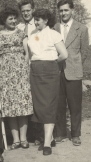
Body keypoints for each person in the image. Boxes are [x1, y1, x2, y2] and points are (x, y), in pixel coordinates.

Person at [26, 9, 68, 155]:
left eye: (39, 19)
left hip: (50, 71)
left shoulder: (54, 34)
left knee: (49, 106)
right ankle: (48, 138)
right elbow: (30, 55)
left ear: (46, 20)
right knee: (39, 106)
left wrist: (52, 63)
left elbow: (64, 54)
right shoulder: (32, 35)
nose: (36, 22)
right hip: (35, 71)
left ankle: (46, 144)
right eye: (35, 19)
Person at [0, 7, 33, 150]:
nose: (14, 21)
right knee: (10, 105)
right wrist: (2, 67)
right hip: (6, 74)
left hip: (21, 72)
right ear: (4, 20)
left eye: (15, 18)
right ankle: (15, 139)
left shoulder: (22, 34)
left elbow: (27, 53)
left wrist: (24, 67)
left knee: (22, 104)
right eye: (11, 19)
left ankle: (23, 138)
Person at [54, 0, 89, 146]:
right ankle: (61, 132)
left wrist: (78, 68)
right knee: (59, 104)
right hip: (57, 71)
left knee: (75, 105)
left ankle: (75, 134)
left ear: (72, 10)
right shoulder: (54, 27)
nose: (63, 13)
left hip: (74, 71)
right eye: (61, 11)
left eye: (66, 10)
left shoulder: (81, 28)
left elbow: (85, 51)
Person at [17, 0, 43, 145]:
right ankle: (27, 135)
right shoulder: (19, 27)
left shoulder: (39, 24)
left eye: (28, 10)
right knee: (25, 99)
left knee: (37, 99)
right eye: (23, 11)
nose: (26, 13)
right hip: (21, 68)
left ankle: (39, 134)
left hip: (36, 66)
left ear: (33, 10)